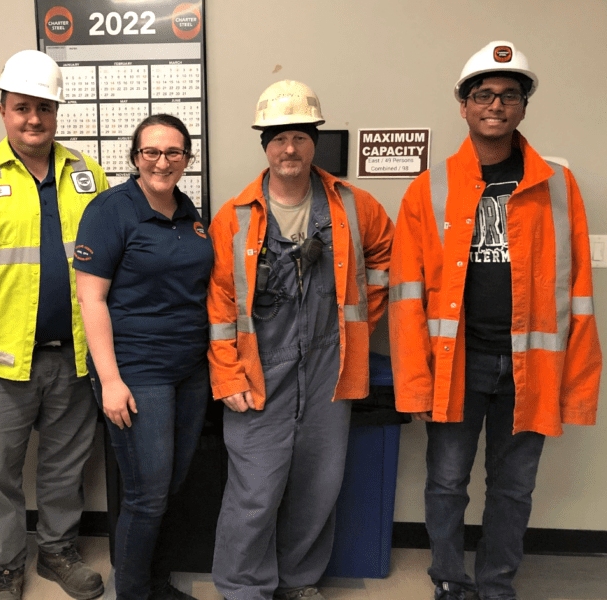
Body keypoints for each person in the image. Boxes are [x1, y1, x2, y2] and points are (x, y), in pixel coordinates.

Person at [388, 41, 602, 600]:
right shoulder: (428, 189)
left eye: (509, 95)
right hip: (457, 361)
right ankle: (449, 583)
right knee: (447, 482)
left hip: (534, 367)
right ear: (463, 105)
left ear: (524, 107)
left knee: (513, 488)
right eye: (483, 94)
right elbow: (407, 298)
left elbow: (579, 289)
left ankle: (497, 585)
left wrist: (576, 381)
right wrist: (413, 381)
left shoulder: (559, 185)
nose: (496, 105)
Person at [0, 50, 108, 600]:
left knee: (64, 468)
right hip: (2, 360)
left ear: (56, 112)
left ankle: (56, 551)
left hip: (73, 356)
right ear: (4, 110)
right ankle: (6, 564)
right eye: (22, 108)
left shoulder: (87, 173)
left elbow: (109, 260)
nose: (34, 119)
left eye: (44, 108)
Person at [207, 80, 393, 600]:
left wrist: (359, 325)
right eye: (278, 137)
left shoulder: (356, 207)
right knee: (255, 491)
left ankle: (299, 582)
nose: (289, 148)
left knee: (318, 486)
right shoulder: (236, 216)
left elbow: (385, 263)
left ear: (315, 141)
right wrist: (227, 374)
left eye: (300, 136)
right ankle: (244, 588)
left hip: (330, 369)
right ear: (264, 144)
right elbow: (221, 304)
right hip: (259, 370)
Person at [74, 114, 214, 600]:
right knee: (146, 496)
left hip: (190, 371)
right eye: (150, 152)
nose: (162, 161)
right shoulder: (112, 209)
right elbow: (91, 300)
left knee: (171, 489)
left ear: (187, 160)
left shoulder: (189, 210)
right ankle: (133, 593)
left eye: (173, 152)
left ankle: (157, 584)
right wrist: (110, 381)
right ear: (134, 157)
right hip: (137, 370)